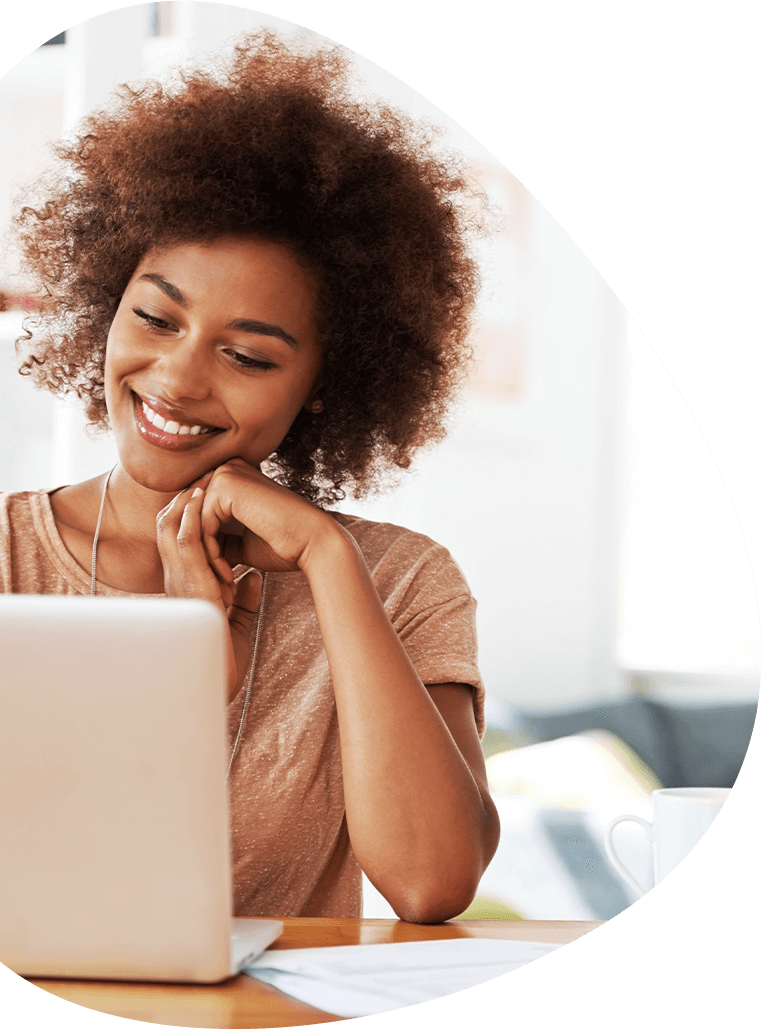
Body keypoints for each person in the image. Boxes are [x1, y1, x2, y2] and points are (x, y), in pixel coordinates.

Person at [0, 32, 500, 923]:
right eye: (155, 317)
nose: (179, 379)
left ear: (322, 386)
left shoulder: (405, 581)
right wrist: (187, 678)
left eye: (245, 355)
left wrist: (326, 555)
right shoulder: (8, 556)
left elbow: (431, 883)